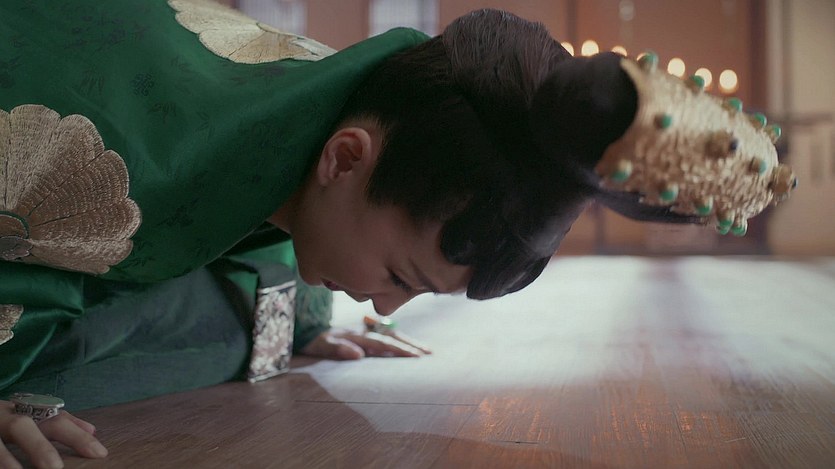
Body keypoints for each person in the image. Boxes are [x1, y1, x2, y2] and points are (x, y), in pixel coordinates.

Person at [0, 1, 794, 467]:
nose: (384, 304)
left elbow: (271, 208)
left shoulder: (335, 107)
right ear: (346, 158)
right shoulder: (126, 153)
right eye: (402, 275)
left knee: (241, 333)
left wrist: (300, 318)